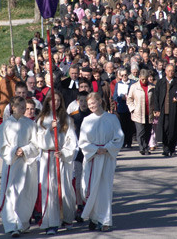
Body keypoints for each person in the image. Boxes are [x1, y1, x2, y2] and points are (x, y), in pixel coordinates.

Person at [79, 92, 124, 231]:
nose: (91, 105)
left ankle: (105, 220)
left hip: (106, 158)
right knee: (90, 189)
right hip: (92, 158)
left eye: (94, 102)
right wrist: (94, 149)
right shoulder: (87, 120)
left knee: (104, 189)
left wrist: (107, 148)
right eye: (89, 103)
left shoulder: (111, 118)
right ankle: (93, 217)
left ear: (100, 101)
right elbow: (82, 141)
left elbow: (119, 137)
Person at [0, 96, 39, 237]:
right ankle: (11, 225)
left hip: (26, 164)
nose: (22, 108)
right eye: (19, 106)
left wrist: (25, 150)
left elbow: (36, 143)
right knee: (11, 193)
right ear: (12, 107)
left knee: (24, 194)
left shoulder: (30, 124)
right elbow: (1, 146)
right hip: (12, 163)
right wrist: (14, 151)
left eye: (23, 106)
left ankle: (22, 222)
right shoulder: (5, 125)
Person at [36, 91, 77, 235]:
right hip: (48, 157)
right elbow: (38, 141)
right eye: (53, 101)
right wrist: (49, 130)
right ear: (47, 102)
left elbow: (72, 140)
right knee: (50, 190)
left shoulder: (66, 118)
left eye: (59, 100)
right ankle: (51, 222)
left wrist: (64, 152)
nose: (56, 103)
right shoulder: (41, 119)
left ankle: (66, 217)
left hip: (62, 158)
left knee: (65, 188)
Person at [154, 64, 177, 156]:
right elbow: (156, 96)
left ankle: (172, 149)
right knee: (164, 130)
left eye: (172, 71)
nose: (170, 72)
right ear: (165, 71)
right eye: (169, 71)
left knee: (173, 130)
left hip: (174, 110)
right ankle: (165, 149)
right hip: (163, 110)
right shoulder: (160, 82)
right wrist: (156, 109)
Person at [69, 91, 91, 222]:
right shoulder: (72, 116)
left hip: (89, 152)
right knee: (77, 181)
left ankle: (89, 203)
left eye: (85, 101)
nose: (83, 104)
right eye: (81, 101)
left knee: (88, 180)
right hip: (77, 154)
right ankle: (79, 206)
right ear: (77, 101)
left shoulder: (92, 116)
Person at [127, 69, 155, 155]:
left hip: (149, 113)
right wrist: (133, 109)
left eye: (146, 79)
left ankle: (146, 145)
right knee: (140, 132)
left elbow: (155, 100)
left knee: (148, 131)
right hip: (138, 113)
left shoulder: (152, 87)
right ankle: (143, 148)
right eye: (142, 79)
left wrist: (155, 110)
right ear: (139, 78)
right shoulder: (134, 87)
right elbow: (129, 99)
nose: (144, 81)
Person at [113, 68, 135, 148]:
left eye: (125, 74)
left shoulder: (133, 83)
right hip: (122, 108)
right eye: (122, 75)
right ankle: (123, 142)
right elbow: (114, 96)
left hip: (130, 107)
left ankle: (129, 142)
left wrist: (129, 97)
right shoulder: (118, 84)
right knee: (122, 126)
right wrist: (121, 98)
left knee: (130, 126)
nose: (124, 76)